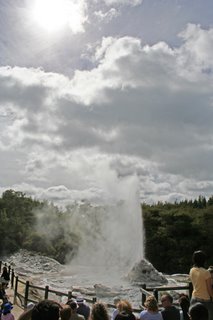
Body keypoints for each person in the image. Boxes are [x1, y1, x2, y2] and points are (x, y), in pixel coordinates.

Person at [189, 250, 213, 320]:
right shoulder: (206, 273)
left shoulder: (192, 270)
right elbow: (209, 289)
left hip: (194, 298)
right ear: (204, 260)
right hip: (205, 300)